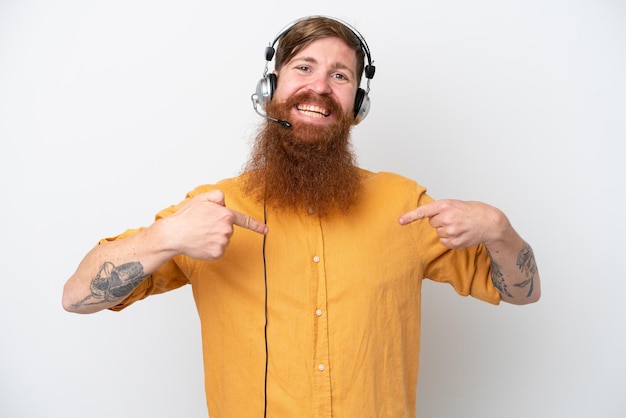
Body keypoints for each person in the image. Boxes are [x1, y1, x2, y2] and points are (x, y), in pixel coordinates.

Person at [62, 15, 541, 418]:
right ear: (271, 87)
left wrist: (500, 230)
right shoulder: (211, 209)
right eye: (304, 67)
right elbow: (78, 297)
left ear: (358, 102)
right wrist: (164, 237)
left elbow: (522, 292)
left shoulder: (405, 203)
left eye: (340, 75)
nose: (320, 87)